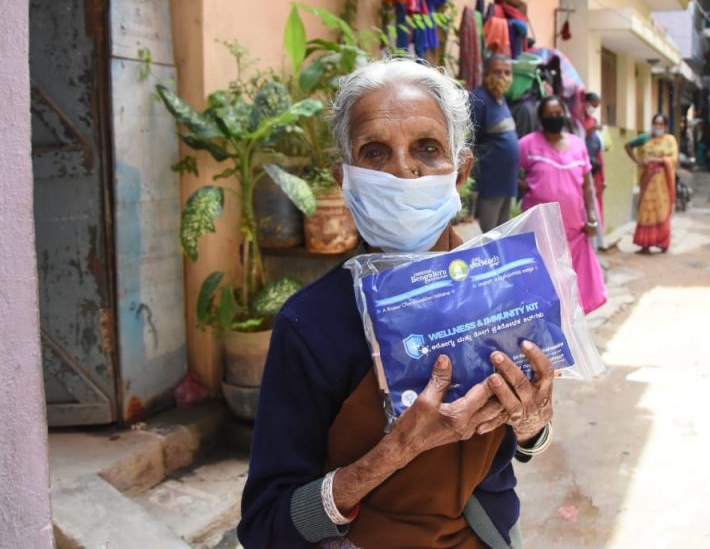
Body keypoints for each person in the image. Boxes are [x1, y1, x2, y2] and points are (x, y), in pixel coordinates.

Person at [238, 60, 554, 549]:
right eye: (375, 152)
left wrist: (533, 427)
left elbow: (516, 441)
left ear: (461, 170)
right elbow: (265, 525)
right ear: (345, 178)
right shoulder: (312, 324)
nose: (403, 169)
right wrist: (396, 451)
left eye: (427, 149)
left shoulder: (502, 292)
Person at [518, 97, 608, 314]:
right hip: (540, 229)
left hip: (574, 229)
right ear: (541, 118)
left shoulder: (578, 144)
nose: (555, 118)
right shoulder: (527, 144)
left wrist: (592, 218)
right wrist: (530, 187)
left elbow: (587, 185)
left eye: (559, 113)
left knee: (575, 286)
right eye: (550, 114)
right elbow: (512, 173)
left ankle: (572, 323)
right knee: (545, 281)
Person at [472, 54, 521, 232]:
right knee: (487, 237)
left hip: (506, 184)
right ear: (485, 74)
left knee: (502, 236)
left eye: (507, 72)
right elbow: (470, 143)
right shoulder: (479, 100)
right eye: (497, 71)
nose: (503, 77)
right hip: (489, 186)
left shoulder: (501, 100)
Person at [626, 113, 679, 254]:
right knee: (645, 209)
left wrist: (660, 160)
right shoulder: (646, 138)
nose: (658, 126)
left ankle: (662, 242)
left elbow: (673, 159)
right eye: (656, 123)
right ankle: (645, 243)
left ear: (666, 127)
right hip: (648, 179)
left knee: (662, 210)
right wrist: (639, 161)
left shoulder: (670, 140)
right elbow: (628, 146)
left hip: (663, 182)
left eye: (661, 124)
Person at [582, 92, 606, 226]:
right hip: (586, 167)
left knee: (597, 198)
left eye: (596, 106)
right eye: (592, 105)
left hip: (596, 166)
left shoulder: (593, 121)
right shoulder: (580, 120)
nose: (593, 109)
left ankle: (597, 233)